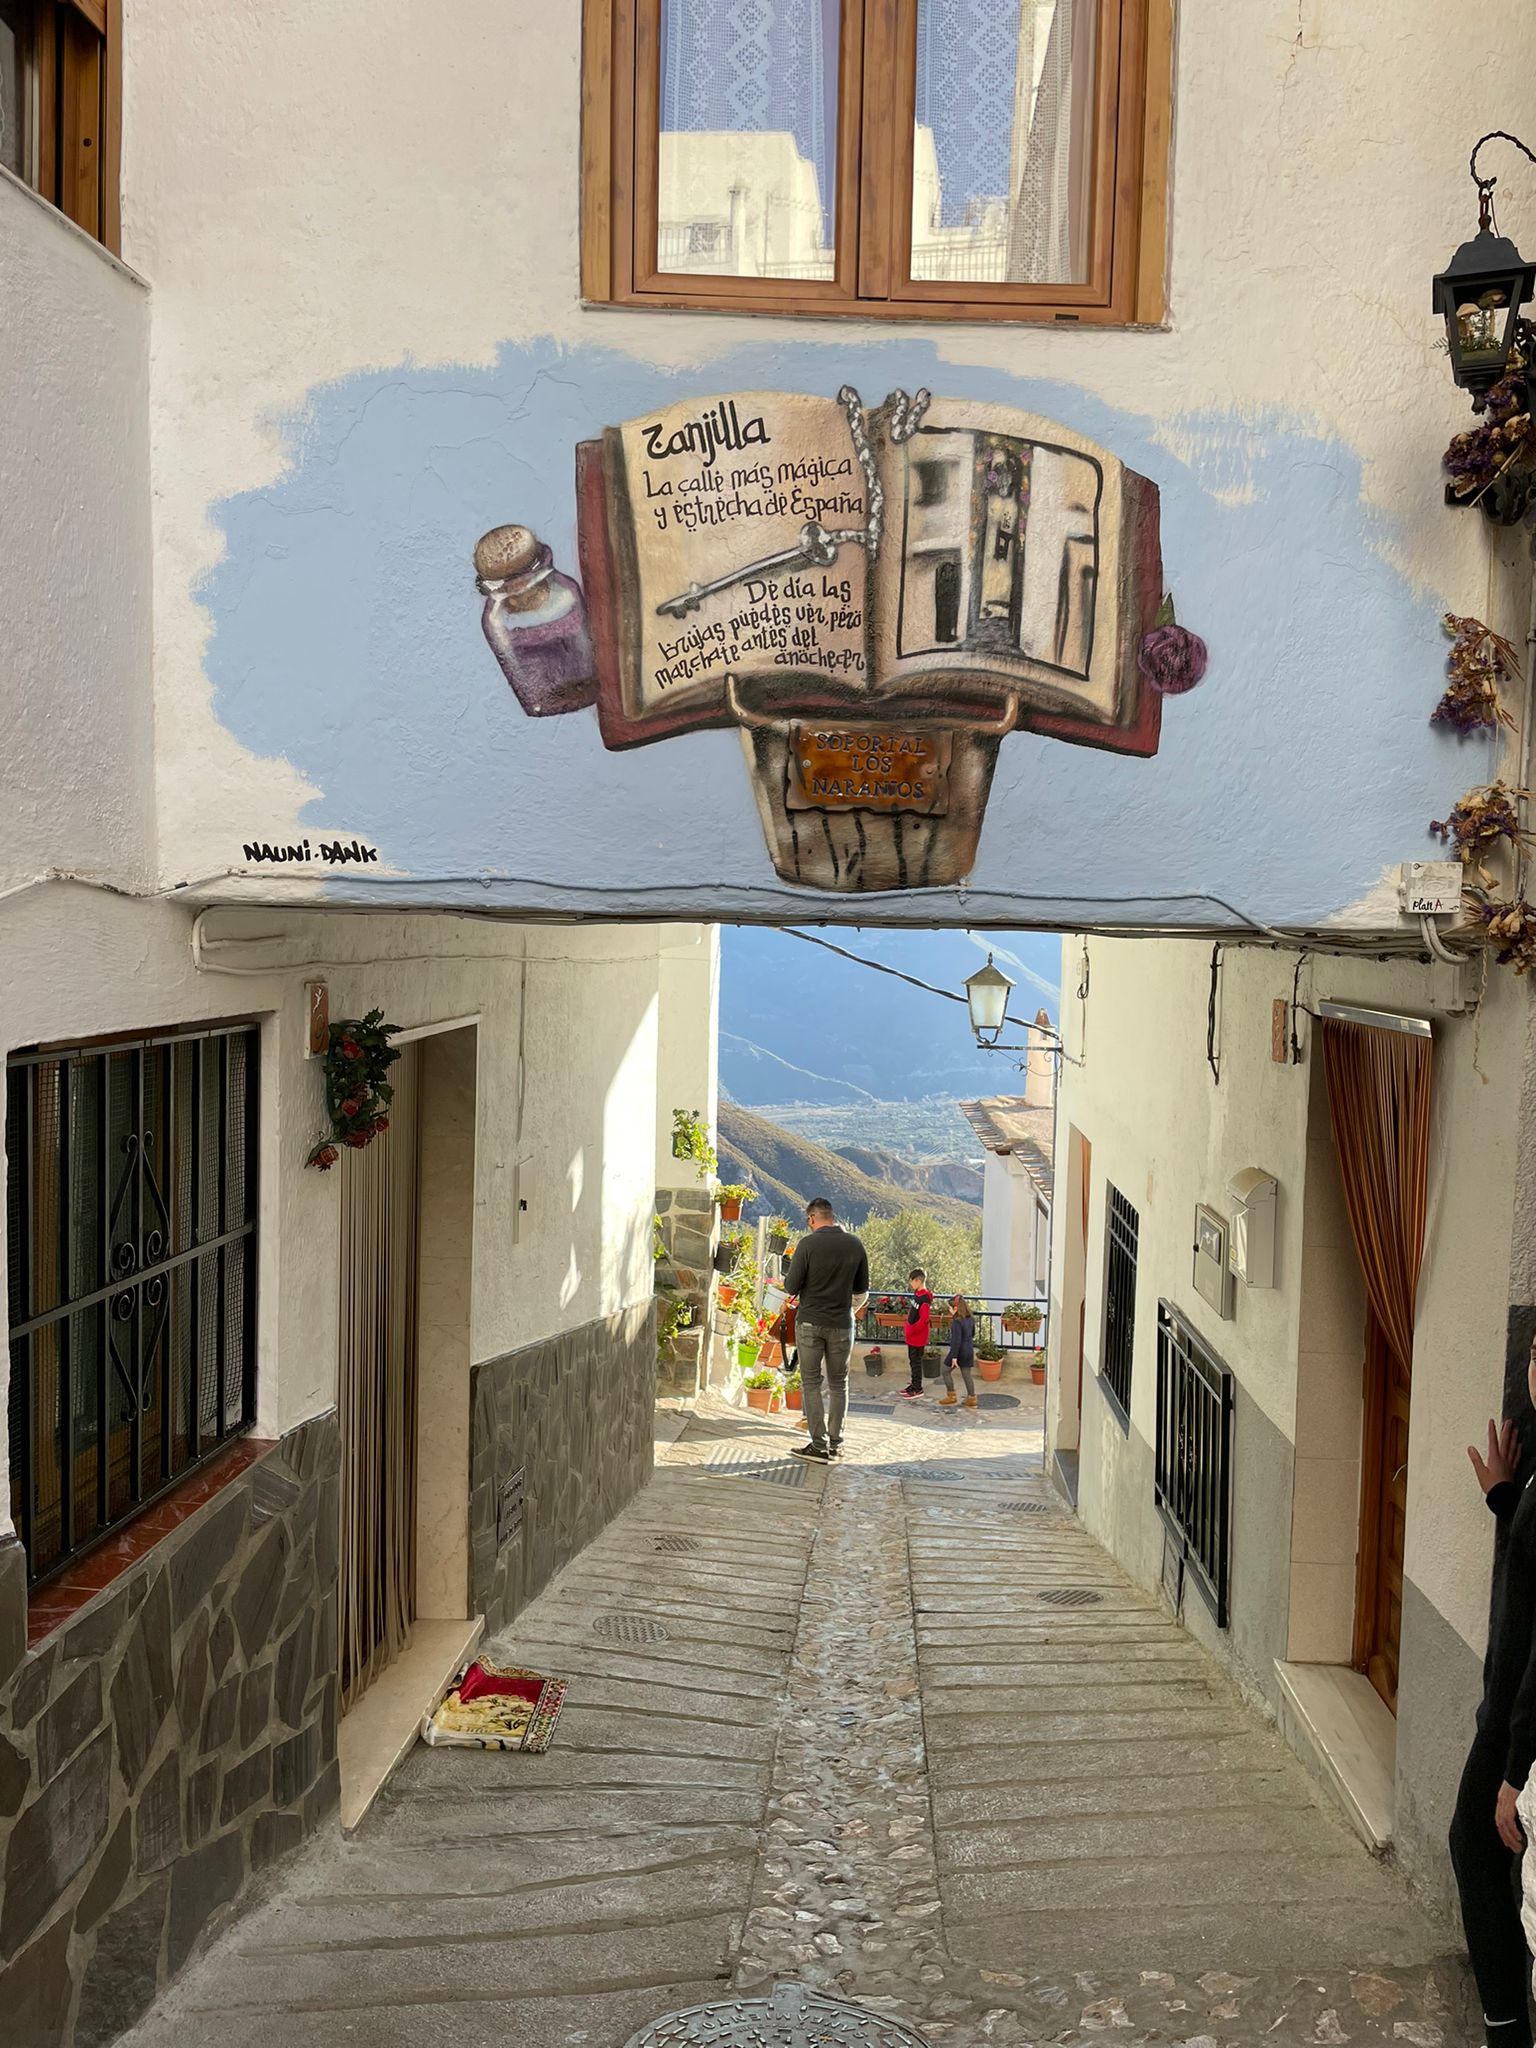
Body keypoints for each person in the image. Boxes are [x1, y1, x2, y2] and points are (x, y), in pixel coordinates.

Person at [1453, 1331, 1536, 2048]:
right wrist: (1508, 1497)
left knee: (1474, 1843)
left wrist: (1514, 1769)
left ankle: (1508, 2028)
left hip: (1518, 1718)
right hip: (1507, 1708)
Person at [782, 1198, 868, 1463]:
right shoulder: (855, 1244)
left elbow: (791, 1286)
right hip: (842, 1323)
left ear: (812, 1219)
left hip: (809, 1323)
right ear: (832, 1216)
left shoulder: (807, 1245)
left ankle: (818, 1445)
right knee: (839, 1383)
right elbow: (861, 1289)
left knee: (810, 1382)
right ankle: (836, 1444)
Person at [901, 1269, 935, 1399]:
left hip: (917, 1336)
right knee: (912, 1360)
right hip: (912, 1335)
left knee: (916, 1362)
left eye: (912, 1281)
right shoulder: (918, 1294)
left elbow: (924, 1318)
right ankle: (914, 1384)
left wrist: (913, 1329)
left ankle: (918, 1388)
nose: (911, 1284)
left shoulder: (925, 1298)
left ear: (919, 1281)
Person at [940, 1296, 977, 1410]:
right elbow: (973, 1334)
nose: (949, 1311)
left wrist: (954, 1357)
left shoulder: (956, 1322)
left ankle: (951, 1396)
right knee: (967, 1375)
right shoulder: (970, 1318)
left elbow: (956, 1341)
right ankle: (972, 1399)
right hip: (968, 1350)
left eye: (950, 1308)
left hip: (958, 1352)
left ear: (955, 1308)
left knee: (945, 1371)